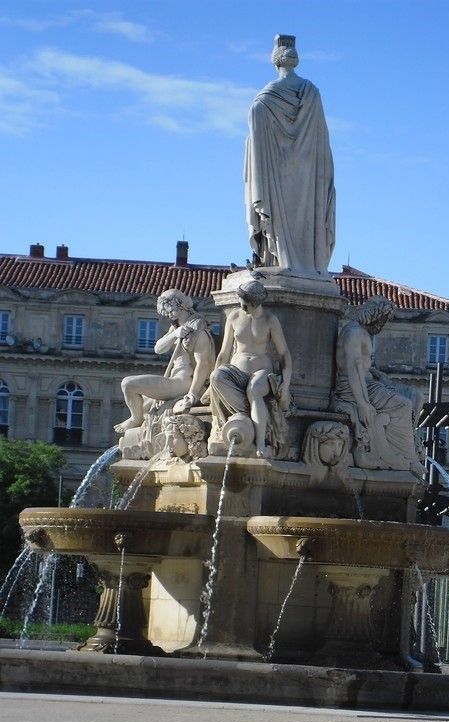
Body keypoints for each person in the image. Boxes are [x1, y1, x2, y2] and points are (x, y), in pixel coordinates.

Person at [244, 34, 335, 275]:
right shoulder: (311, 93)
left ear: (275, 62)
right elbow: (322, 142)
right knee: (307, 219)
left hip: (274, 174)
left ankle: (279, 258)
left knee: (276, 214)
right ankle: (308, 263)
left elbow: (256, 142)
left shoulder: (263, 102)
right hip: (308, 174)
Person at [332, 297, 423, 470]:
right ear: (373, 315)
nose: (382, 325)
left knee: (416, 396)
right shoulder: (354, 332)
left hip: (371, 383)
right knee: (403, 405)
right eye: (382, 320)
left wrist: (376, 374)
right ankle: (406, 458)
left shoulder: (361, 331)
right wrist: (362, 404)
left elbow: (363, 366)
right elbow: (353, 368)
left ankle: (411, 441)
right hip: (355, 388)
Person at [209, 280, 292, 457]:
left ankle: (260, 442)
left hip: (262, 373)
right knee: (216, 376)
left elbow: (284, 353)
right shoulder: (234, 317)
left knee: (254, 390)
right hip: (236, 372)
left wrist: (285, 385)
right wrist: (211, 385)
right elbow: (224, 353)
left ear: (256, 303)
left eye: (245, 304)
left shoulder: (270, 320)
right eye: (240, 302)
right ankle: (251, 417)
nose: (242, 306)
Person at [114, 290, 214, 434]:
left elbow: (203, 365)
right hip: (174, 378)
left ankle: (135, 419)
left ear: (182, 306)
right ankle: (137, 418)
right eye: (166, 312)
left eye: (172, 310)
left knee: (128, 383)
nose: (169, 314)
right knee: (142, 405)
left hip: (184, 382)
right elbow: (158, 348)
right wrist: (174, 334)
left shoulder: (198, 330)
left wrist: (192, 394)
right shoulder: (175, 328)